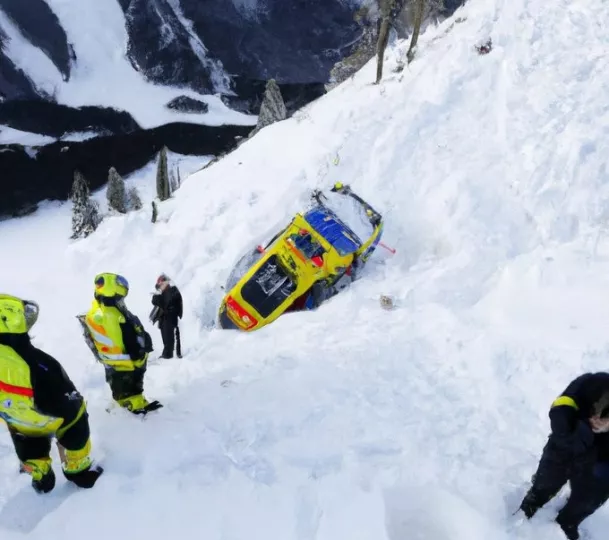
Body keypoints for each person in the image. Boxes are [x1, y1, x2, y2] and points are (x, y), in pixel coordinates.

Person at [0, 293, 103, 493]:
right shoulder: (39, 362)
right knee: (76, 419)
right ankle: (78, 471)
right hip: (50, 417)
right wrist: (75, 407)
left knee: (26, 440)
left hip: (18, 421)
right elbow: (66, 397)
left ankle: (41, 476)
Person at [519, 372, 609, 539]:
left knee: (587, 500)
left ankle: (568, 522)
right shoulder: (593, 381)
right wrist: (570, 429)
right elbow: (561, 405)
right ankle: (533, 501)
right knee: (546, 481)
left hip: (600, 464)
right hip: (567, 445)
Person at [82, 273, 161, 415]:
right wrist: (139, 352)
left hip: (113, 361)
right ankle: (132, 407)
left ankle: (126, 404)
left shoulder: (96, 311)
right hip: (126, 361)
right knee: (130, 386)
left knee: (122, 387)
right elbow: (127, 336)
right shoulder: (113, 314)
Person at [151, 274, 183, 359]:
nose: (161, 286)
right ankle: (167, 354)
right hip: (164, 318)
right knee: (165, 338)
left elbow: (166, 301)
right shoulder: (162, 293)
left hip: (170, 318)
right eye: (160, 284)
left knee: (170, 338)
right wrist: (158, 292)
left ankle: (169, 355)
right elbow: (154, 301)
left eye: (163, 284)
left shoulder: (173, 290)